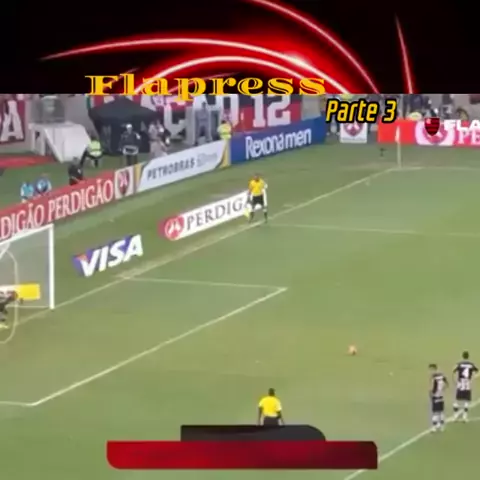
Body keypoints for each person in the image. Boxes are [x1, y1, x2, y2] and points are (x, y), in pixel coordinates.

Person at [453, 351, 478, 422]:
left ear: (462, 356)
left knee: (457, 400)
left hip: (460, 383)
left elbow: (453, 370)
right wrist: (475, 377)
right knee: (467, 400)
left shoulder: (459, 364)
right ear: (468, 356)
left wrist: (454, 380)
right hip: (467, 383)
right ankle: (465, 417)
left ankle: (455, 416)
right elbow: (478, 371)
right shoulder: (471, 364)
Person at [429, 363, 448, 432]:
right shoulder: (442, 375)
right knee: (441, 412)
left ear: (433, 369)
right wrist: (442, 390)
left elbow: (432, 387)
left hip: (435, 396)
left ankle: (434, 427)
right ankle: (441, 426)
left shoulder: (433, 377)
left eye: (430, 370)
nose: (430, 371)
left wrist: (431, 394)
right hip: (441, 396)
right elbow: (446, 384)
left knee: (435, 412)